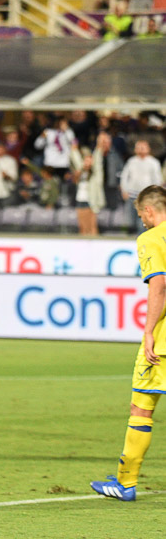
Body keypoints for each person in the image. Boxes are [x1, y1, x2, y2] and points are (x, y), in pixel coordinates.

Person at [91, 185, 166, 501]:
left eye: (141, 216)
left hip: (163, 344)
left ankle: (125, 483)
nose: (143, 222)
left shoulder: (150, 239)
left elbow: (160, 286)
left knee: (142, 406)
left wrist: (149, 331)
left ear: (149, 211)